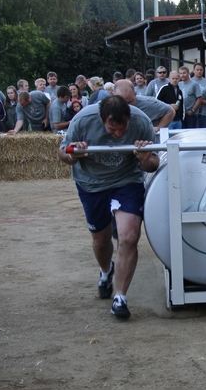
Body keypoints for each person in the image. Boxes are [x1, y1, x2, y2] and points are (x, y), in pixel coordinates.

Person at [58, 96, 159, 319]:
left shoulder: (142, 122)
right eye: (112, 130)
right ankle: (106, 271)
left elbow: (153, 164)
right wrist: (74, 154)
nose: (119, 134)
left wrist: (144, 158)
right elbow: (63, 153)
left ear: (129, 118)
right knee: (101, 239)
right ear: (102, 119)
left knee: (129, 236)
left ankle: (120, 297)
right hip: (91, 184)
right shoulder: (82, 120)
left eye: (123, 129)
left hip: (127, 181)